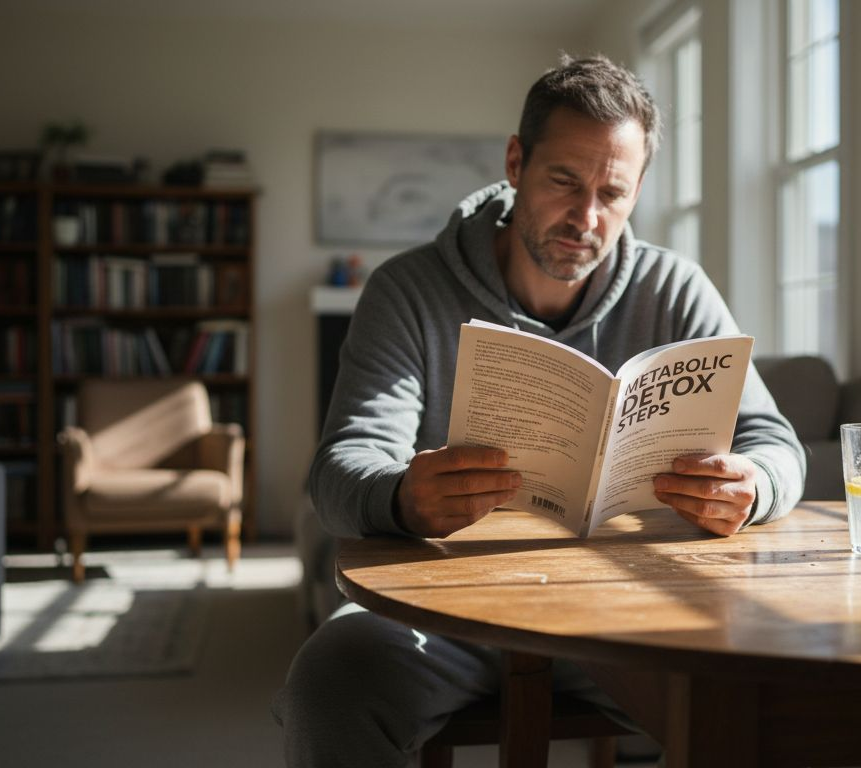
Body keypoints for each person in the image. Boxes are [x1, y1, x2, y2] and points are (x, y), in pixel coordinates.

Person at [273, 54, 806, 767]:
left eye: (613, 193)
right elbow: (339, 472)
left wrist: (752, 484)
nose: (586, 218)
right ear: (516, 162)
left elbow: (776, 443)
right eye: (563, 181)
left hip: (629, 609)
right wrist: (402, 496)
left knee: (759, 692)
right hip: (443, 614)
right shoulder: (408, 290)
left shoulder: (676, 289)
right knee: (331, 679)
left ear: (637, 190)